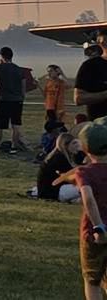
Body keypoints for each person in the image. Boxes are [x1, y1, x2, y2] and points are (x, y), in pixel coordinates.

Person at [77, 122, 107, 300]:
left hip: (92, 234)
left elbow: (88, 199)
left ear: (86, 149)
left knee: (92, 279)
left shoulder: (84, 172)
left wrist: (99, 227)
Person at [0, 46, 29, 156]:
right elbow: (23, 86)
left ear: (2, 57)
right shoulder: (19, 69)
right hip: (17, 100)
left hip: (4, 99)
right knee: (16, 125)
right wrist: (22, 97)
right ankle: (14, 147)